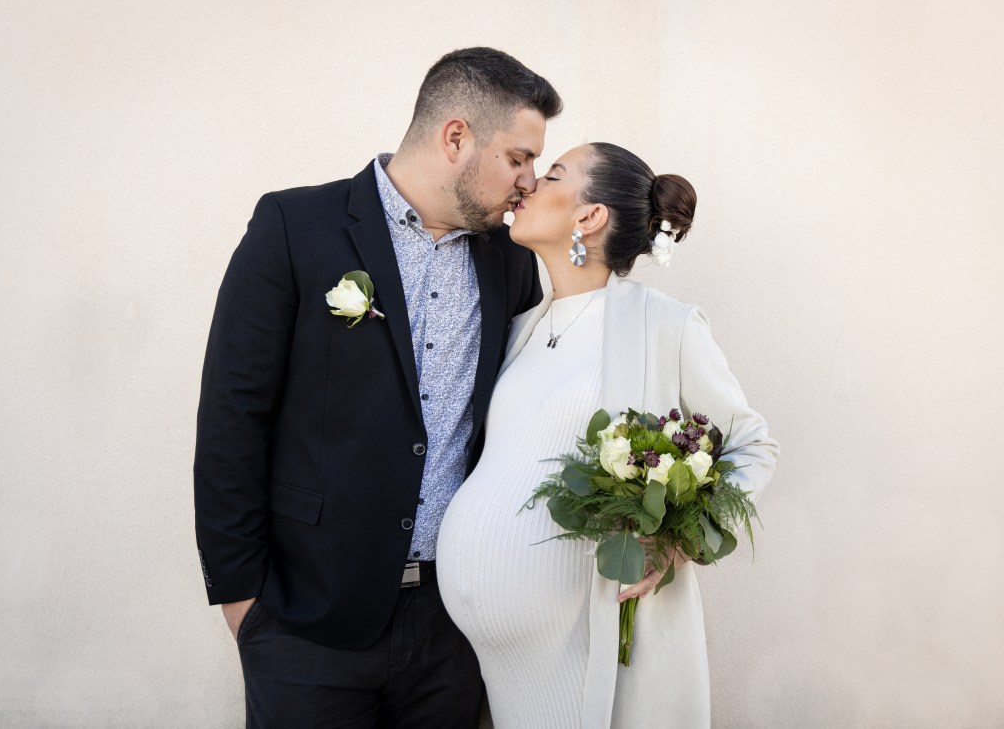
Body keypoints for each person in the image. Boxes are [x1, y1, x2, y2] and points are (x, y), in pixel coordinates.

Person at [193, 47, 562, 727]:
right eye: (518, 158)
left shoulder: (511, 260)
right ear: (456, 137)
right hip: (306, 620)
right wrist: (244, 600)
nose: (529, 182)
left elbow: (521, 420)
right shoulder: (295, 226)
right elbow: (232, 416)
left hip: (454, 626)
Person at [437, 142, 779, 728]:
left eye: (552, 176)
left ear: (590, 216)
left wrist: (679, 541)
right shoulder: (523, 326)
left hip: (583, 645)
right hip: (500, 666)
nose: (528, 185)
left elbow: (753, 443)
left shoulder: (665, 326)